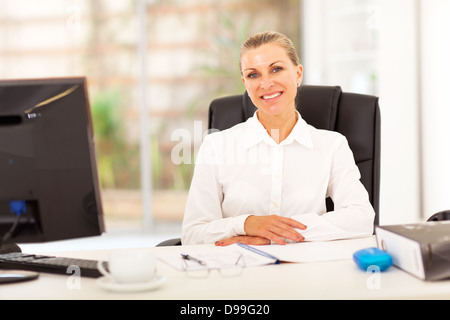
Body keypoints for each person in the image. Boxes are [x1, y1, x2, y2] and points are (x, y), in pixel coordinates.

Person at [181, 31, 375, 246]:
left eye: (276, 69)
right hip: (239, 270)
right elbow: (192, 235)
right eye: (254, 75)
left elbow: (362, 219)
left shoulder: (331, 146)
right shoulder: (216, 146)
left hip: (307, 271)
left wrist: (273, 234)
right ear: (245, 82)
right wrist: (246, 224)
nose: (266, 83)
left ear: (298, 74)